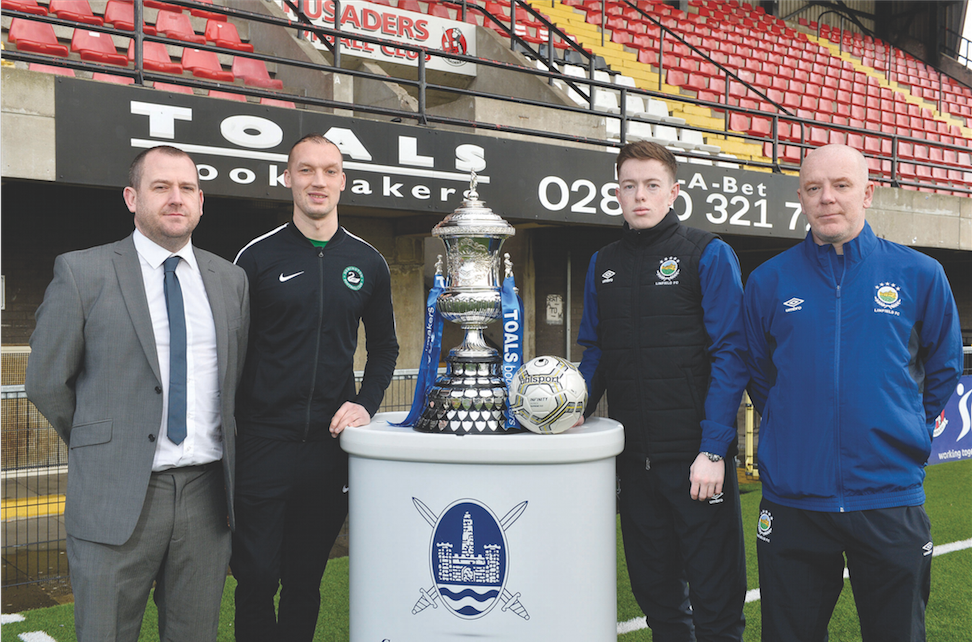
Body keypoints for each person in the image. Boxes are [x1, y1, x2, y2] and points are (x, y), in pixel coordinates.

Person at [26, 146, 250, 642]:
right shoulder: (82, 272)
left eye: (187, 188)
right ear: (132, 198)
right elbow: (45, 380)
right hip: (116, 496)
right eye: (161, 187)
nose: (177, 198)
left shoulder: (229, 280)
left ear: (201, 201)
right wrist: (103, 444)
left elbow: (233, 382)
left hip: (207, 499)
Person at [743, 144, 963, 642]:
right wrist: (792, 425)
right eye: (815, 188)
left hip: (888, 495)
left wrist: (901, 423)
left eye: (841, 186)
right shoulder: (768, 280)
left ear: (867, 193)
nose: (828, 199)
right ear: (800, 197)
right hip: (795, 499)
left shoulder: (920, 275)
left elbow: (944, 367)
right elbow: (757, 370)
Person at [577, 140, 748, 641]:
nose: (640, 196)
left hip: (697, 464)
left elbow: (730, 355)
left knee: (716, 606)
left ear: (673, 192)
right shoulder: (602, 262)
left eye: (652, 185)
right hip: (635, 465)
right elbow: (595, 353)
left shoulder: (707, 254)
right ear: (616, 193)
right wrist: (571, 410)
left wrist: (713, 449)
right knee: (659, 604)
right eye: (629, 186)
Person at [231, 133, 399, 640]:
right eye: (305, 170)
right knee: (257, 577)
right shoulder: (256, 258)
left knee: (306, 580)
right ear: (287, 178)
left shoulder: (368, 262)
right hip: (262, 443)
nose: (317, 181)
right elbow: (231, 350)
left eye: (329, 171)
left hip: (328, 448)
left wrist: (365, 404)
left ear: (343, 181)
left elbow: (386, 347)